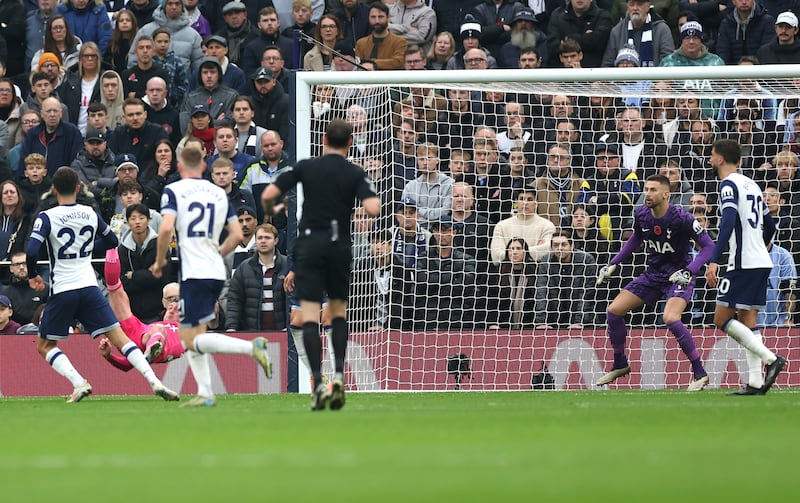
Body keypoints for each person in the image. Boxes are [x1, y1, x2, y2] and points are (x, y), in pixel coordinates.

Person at [26, 166, 179, 403]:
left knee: (45, 345)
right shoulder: (89, 212)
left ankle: (79, 384)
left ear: (53, 190)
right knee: (121, 339)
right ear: (78, 188)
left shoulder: (47, 216)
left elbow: (32, 249)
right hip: (89, 287)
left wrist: (33, 275)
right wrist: (86, 252)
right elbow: (111, 240)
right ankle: (155, 382)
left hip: (64, 289)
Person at [261, 118, 380, 411]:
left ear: (324, 141)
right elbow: (374, 208)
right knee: (338, 313)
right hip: (338, 245)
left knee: (311, 317)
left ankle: (316, 381)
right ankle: (338, 377)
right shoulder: (354, 171)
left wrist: (271, 210)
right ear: (350, 144)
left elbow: (268, 195)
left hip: (309, 247)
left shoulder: (305, 167)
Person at [151, 144, 273, 407]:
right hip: (215, 270)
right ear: (205, 166)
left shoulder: (174, 190)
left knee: (189, 337)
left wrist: (160, 261)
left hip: (194, 272)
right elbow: (238, 235)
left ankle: (252, 348)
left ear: (180, 166)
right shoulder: (218, 194)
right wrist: (217, 253)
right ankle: (206, 392)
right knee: (194, 334)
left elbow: (165, 229)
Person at [596, 174, 716, 391]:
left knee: (670, 317)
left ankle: (700, 373)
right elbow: (636, 239)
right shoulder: (641, 213)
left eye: (652, 190)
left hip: (679, 273)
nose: (647, 194)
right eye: (646, 189)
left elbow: (709, 247)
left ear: (666, 194)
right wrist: (613, 263)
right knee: (614, 311)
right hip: (654, 273)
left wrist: (690, 271)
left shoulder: (682, 218)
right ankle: (620, 363)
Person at [705, 139, 787, 395]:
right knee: (748, 319)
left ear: (719, 159)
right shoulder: (751, 184)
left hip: (742, 262)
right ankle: (754, 382)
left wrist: (715, 259)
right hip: (762, 260)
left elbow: (727, 222)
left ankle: (771, 359)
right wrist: (759, 247)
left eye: (711, 154)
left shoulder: (728, 185)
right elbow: (771, 226)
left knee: (721, 318)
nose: (709, 158)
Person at [99, 250, 184, 370]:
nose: (173, 306)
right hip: (139, 332)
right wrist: (109, 356)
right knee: (115, 289)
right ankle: (111, 247)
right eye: (170, 301)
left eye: (177, 304)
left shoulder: (187, 332)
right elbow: (126, 366)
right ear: (163, 302)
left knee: (159, 330)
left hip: (162, 346)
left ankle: (150, 351)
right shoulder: (156, 323)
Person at [225, 223, 288, 332]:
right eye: (259, 238)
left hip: (283, 332)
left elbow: (295, 300)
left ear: (276, 240)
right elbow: (234, 300)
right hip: (251, 333)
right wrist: (231, 327)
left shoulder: (287, 265)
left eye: (267, 237)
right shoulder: (244, 268)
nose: (263, 241)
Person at [534, 231, 597, 329]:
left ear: (572, 246)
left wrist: (579, 322)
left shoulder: (586, 260)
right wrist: (541, 322)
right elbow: (542, 292)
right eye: (556, 245)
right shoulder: (545, 261)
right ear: (551, 248)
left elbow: (586, 294)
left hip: (582, 321)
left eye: (564, 244)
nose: (560, 248)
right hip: (554, 319)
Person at [2, 251, 48, 326]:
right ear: (11, 268)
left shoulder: (44, 288)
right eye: (17, 264)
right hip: (14, 334)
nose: (21, 267)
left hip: (40, 331)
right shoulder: (5, 293)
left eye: (24, 263)